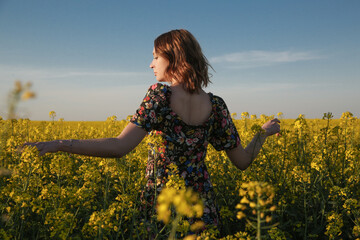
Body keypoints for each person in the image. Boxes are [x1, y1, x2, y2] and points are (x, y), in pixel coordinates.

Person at [23, 29, 280, 233]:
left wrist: (58, 144)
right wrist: (262, 133)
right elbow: (243, 162)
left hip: (161, 207)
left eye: (156, 56)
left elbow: (119, 147)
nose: (151, 64)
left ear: (175, 58)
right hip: (202, 210)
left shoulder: (160, 96)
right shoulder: (216, 105)